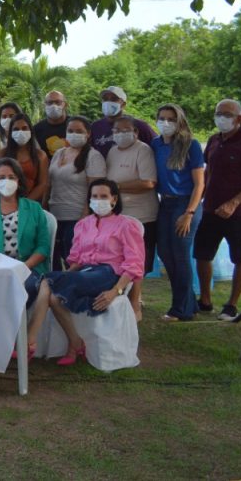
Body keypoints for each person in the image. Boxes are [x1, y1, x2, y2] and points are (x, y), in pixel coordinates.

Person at [27, 179, 145, 365]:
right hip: (85, 272)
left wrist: (116, 291)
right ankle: (75, 343)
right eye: (94, 196)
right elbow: (76, 260)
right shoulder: (83, 225)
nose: (98, 200)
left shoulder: (125, 225)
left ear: (114, 199)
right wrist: (65, 277)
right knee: (54, 296)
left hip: (108, 273)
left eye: (104, 196)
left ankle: (29, 341)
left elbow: (134, 264)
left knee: (48, 281)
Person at [194, 99, 241, 321]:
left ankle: (231, 305)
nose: (221, 118)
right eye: (218, 113)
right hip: (210, 209)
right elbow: (207, 172)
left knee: (240, 257)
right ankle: (205, 301)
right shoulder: (214, 140)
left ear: (238, 118)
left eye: (227, 114)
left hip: (237, 213)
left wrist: (234, 202)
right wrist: (198, 199)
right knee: (202, 254)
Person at [0, 158, 50, 307]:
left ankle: (16, 323)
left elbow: (43, 246)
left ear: (19, 181)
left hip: (29, 269)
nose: (6, 181)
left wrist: (23, 267)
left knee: (20, 289)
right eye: (1, 177)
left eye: (11, 177)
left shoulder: (34, 208)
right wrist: (1, 266)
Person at [151, 104, 205, 322]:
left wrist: (189, 213)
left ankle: (180, 309)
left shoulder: (191, 145)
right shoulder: (155, 144)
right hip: (165, 203)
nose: (165, 123)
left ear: (179, 121)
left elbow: (199, 184)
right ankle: (189, 302)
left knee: (180, 256)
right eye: (162, 118)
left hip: (186, 204)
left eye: (171, 119)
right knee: (165, 253)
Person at [105, 115, 158, 320]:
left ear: (135, 132)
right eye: (116, 131)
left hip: (141, 215)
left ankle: (136, 303)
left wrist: (116, 187)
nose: (120, 134)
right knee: (121, 258)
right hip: (119, 214)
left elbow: (148, 182)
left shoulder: (143, 150)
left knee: (137, 260)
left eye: (125, 130)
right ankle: (124, 297)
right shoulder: (112, 151)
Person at [47, 116, 106, 269]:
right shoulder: (59, 153)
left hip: (77, 217)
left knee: (73, 261)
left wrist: (85, 216)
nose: (74, 134)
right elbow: (49, 184)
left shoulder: (93, 156)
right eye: (70, 131)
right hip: (54, 215)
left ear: (88, 134)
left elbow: (95, 190)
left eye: (79, 131)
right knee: (53, 260)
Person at [0, 113, 49, 203]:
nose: (20, 132)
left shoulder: (40, 155)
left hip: (31, 203)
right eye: (16, 129)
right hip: (6, 202)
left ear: (30, 130)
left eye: (24, 128)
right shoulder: (2, 154)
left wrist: (24, 203)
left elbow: (43, 184)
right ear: (11, 132)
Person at [90, 86, 155, 156]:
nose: (108, 102)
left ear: (123, 104)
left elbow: (157, 146)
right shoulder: (95, 127)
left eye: (114, 99)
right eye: (105, 99)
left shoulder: (139, 125)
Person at [33, 90, 70, 157]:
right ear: (44, 106)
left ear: (65, 105)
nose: (53, 105)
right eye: (49, 102)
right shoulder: (36, 129)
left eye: (58, 102)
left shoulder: (75, 125)